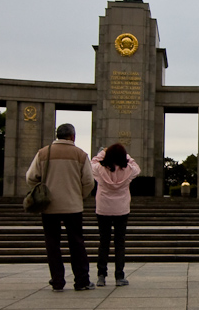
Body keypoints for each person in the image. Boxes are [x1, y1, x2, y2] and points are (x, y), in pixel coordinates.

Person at [26, 124, 95, 292]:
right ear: (73, 136)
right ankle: (81, 281)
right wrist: (79, 195)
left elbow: (30, 177)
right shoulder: (80, 154)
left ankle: (57, 281)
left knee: (52, 244)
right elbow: (89, 182)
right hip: (73, 206)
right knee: (77, 243)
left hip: (49, 206)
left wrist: (43, 189)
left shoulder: (43, 153)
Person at [91, 143, 141, 286]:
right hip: (121, 209)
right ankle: (119, 276)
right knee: (120, 243)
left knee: (104, 242)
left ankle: (101, 275)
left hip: (103, 209)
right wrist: (127, 156)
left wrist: (103, 153)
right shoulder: (129, 170)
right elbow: (137, 167)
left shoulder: (100, 169)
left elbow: (92, 162)